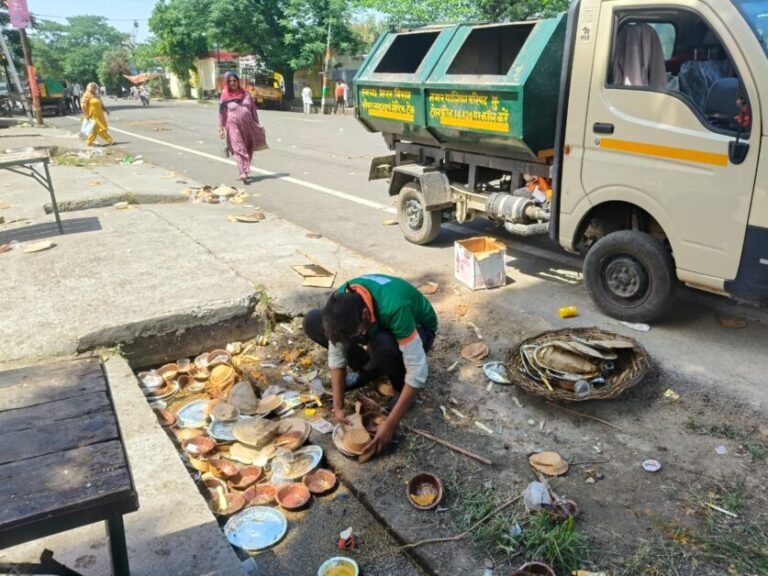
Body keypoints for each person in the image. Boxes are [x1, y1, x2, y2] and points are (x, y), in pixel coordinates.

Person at [303, 274, 438, 454]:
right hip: (372, 326)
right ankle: (371, 369)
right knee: (312, 320)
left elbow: (418, 372)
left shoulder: (395, 308)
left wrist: (390, 424)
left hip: (420, 328)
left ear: (366, 315)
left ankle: (398, 386)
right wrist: (338, 407)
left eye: (354, 336)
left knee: (380, 343)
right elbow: (337, 355)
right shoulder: (341, 300)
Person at [218, 71, 264, 184]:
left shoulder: (246, 94)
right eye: (230, 81)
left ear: (238, 82)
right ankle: (242, 172)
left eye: (234, 80)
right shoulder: (224, 96)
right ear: (226, 83)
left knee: (248, 147)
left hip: (249, 125)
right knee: (238, 148)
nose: (232, 83)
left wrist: (257, 124)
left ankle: (246, 170)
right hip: (233, 125)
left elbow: (253, 110)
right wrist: (220, 128)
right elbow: (221, 113)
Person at [81, 82, 113, 146]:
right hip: (93, 116)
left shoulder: (96, 95)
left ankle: (89, 141)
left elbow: (101, 104)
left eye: (95, 88)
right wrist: (86, 115)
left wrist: (106, 110)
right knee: (100, 129)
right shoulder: (86, 95)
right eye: (93, 88)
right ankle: (110, 140)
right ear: (89, 88)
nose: (94, 89)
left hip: (100, 115)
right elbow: (83, 106)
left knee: (95, 130)